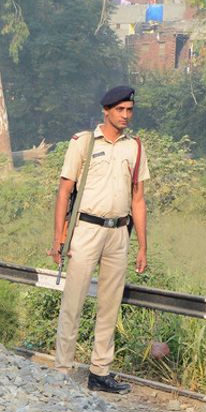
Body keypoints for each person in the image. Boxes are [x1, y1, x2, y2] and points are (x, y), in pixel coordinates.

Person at [50, 85, 150, 394]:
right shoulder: (83, 143)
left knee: (110, 304)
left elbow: (138, 198)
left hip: (119, 232)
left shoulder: (134, 147)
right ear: (105, 111)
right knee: (74, 300)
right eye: (119, 110)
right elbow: (65, 190)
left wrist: (143, 245)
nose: (125, 116)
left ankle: (100, 371)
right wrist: (59, 236)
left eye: (129, 110)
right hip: (86, 229)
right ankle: (63, 369)